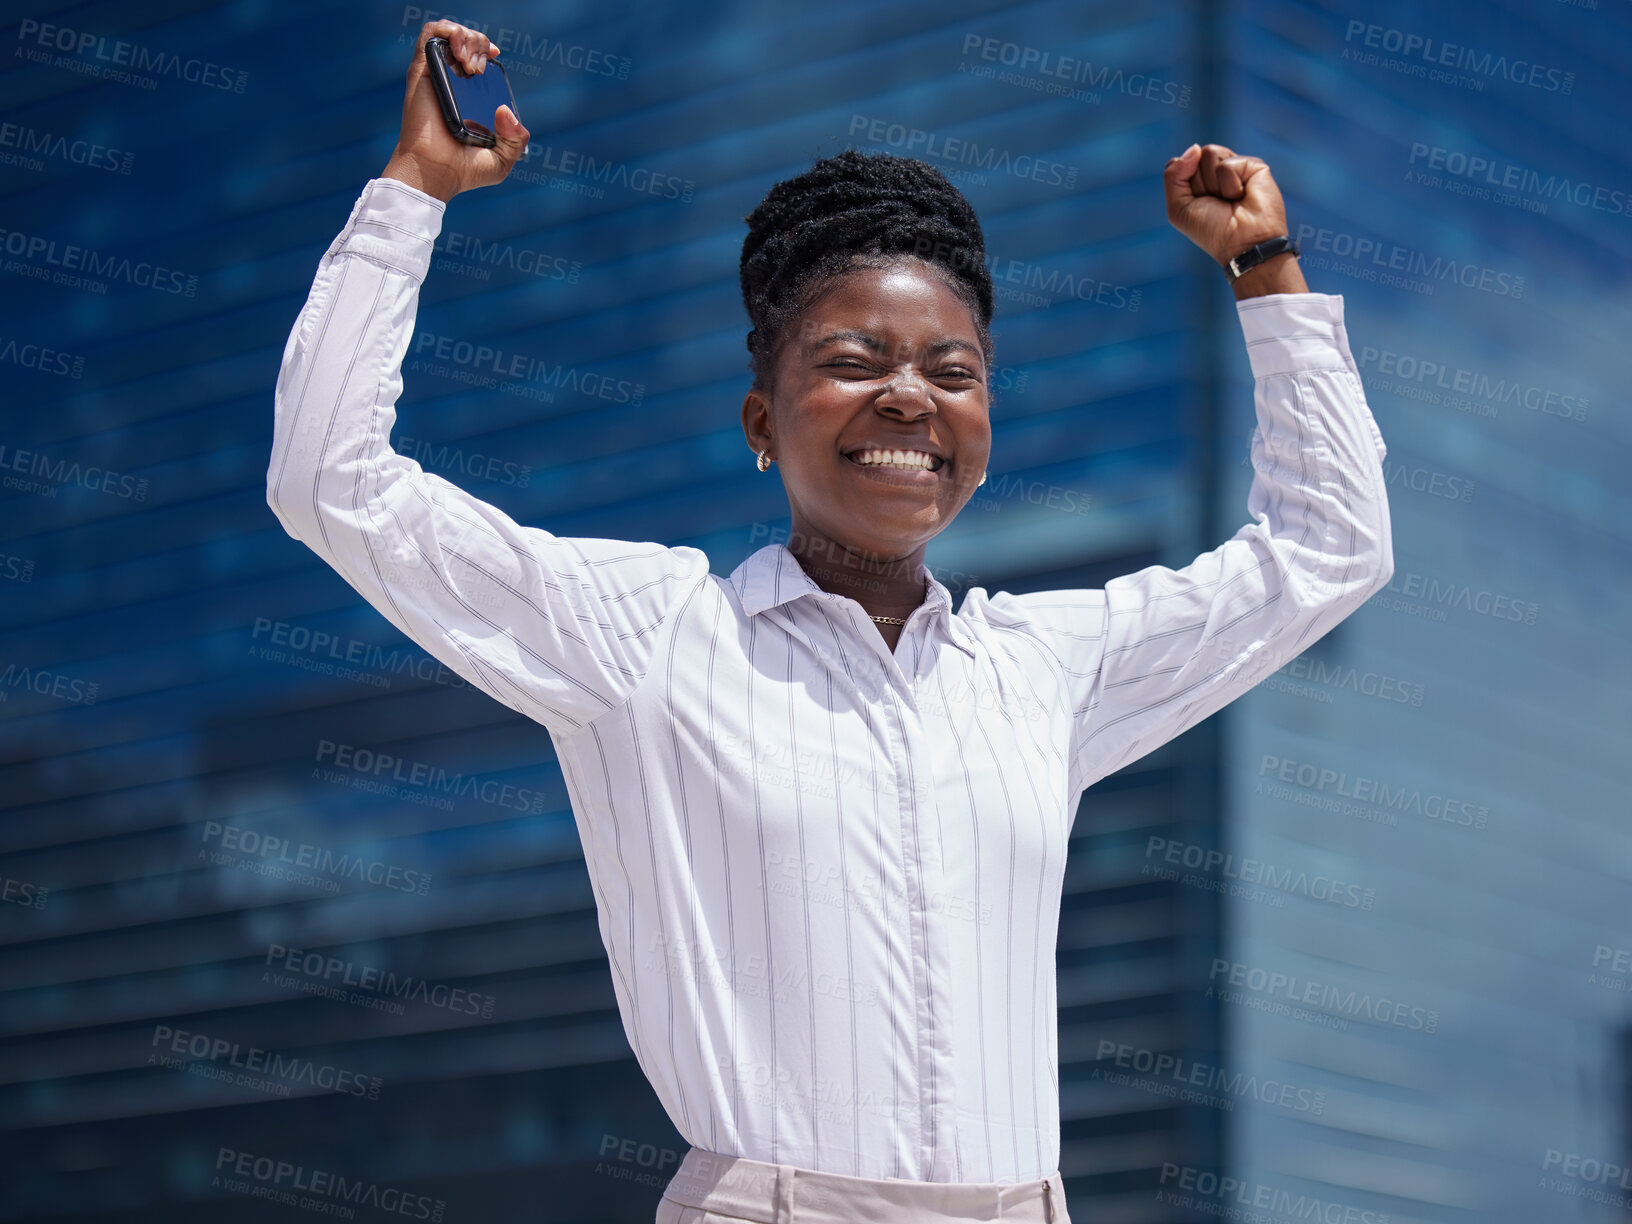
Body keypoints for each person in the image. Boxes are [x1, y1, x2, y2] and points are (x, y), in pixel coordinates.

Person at [267, 19, 1393, 1224]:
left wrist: (1265, 268)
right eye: (855, 359)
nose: (909, 394)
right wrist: (415, 192)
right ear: (763, 420)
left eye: (953, 374)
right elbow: (331, 478)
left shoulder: (1047, 668)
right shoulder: (645, 633)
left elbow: (1330, 548)